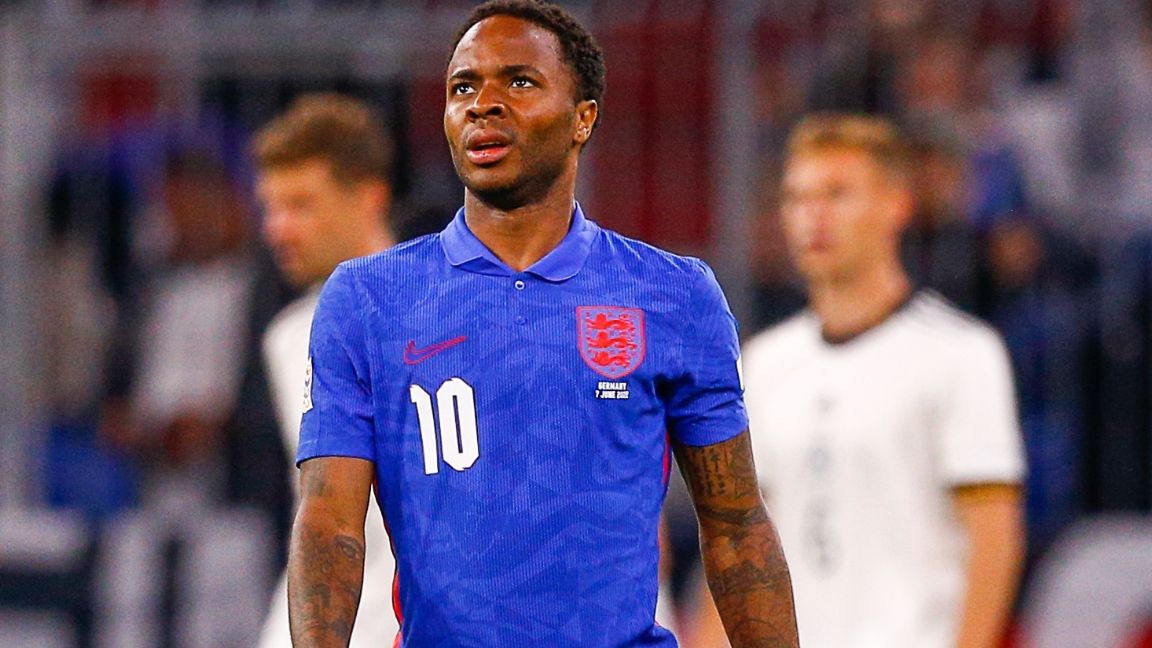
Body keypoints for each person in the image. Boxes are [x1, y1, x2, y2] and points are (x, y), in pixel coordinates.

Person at [287, 1, 799, 647]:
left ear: (584, 118)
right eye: (463, 87)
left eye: (519, 81)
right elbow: (329, 525)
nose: (483, 104)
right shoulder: (368, 298)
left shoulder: (672, 295)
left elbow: (736, 525)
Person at [735, 114, 1026, 648]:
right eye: (797, 198)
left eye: (837, 194)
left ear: (896, 204)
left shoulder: (962, 354)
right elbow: (740, 542)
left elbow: (994, 540)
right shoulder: (764, 362)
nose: (814, 215)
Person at [250, 94, 398, 648]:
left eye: (301, 205)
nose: (278, 229)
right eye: (271, 207)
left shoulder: (442, 317)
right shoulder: (288, 336)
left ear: (368, 198)